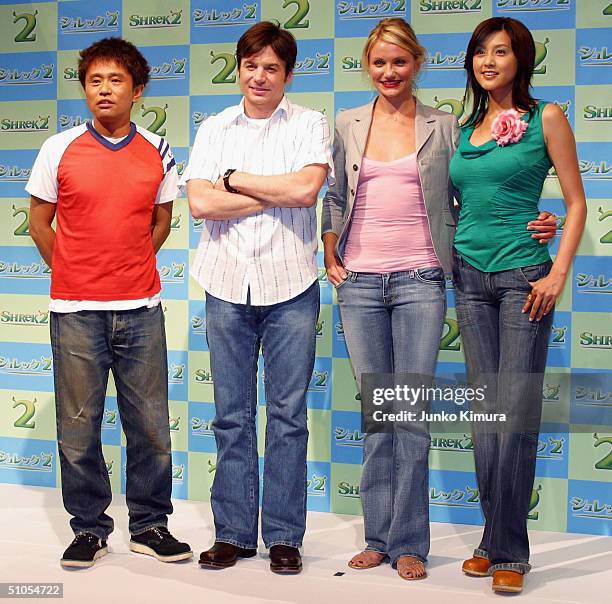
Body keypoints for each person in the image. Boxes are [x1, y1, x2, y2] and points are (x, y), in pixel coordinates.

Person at [322, 18, 557, 582]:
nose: (389, 72)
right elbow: (334, 196)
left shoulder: (447, 125)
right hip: (358, 283)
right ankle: (378, 536)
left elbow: (478, 191)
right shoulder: (348, 123)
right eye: (379, 62)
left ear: (417, 65)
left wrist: (540, 221)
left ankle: (410, 543)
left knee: (411, 414)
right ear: (367, 65)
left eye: (399, 62)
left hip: (423, 280)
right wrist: (330, 251)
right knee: (378, 414)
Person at [26, 37, 192, 569]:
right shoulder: (58, 148)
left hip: (141, 308)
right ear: (84, 88)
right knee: (78, 426)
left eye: (115, 80)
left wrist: (128, 266)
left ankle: (149, 525)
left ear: (137, 90)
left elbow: (161, 221)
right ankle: (90, 529)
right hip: (75, 311)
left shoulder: (158, 149)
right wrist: (73, 271)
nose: (104, 89)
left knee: (150, 426)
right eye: (94, 80)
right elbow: (38, 221)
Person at [182, 21, 332, 574]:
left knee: (288, 416)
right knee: (231, 416)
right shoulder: (214, 125)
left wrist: (234, 180)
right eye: (251, 65)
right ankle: (235, 533)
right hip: (224, 283)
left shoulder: (310, 124)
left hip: (292, 284)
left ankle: (286, 536)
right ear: (239, 69)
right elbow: (199, 204)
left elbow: (304, 191)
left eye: (272, 67)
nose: (260, 75)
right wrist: (270, 191)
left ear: (287, 75)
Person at [449, 17, 586, 594]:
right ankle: (491, 537)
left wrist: (557, 271)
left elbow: (576, 202)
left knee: (515, 414)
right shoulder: (462, 128)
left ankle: (511, 550)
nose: (488, 61)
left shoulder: (544, 116)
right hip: (468, 276)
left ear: (520, 59)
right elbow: (460, 202)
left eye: (500, 52)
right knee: (487, 416)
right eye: (480, 52)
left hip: (524, 277)